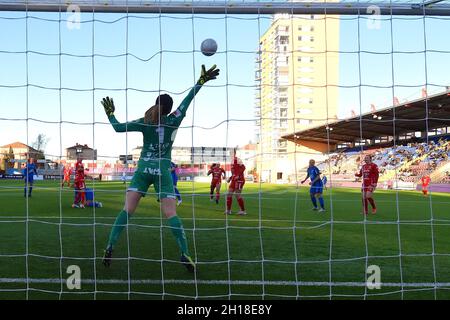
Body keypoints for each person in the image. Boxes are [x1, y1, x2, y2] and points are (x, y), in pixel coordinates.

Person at [100, 64, 219, 272]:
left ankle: (110, 246)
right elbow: (187, 101)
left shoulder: (146, 121)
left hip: (144, 168)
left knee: (127, 210)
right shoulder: (175, 119)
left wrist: (110, 114)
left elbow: (118, 128)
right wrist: (200, 82)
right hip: (163, 170)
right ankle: (184, 252)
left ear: (155, 104)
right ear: (170, 107)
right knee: (171, 213)